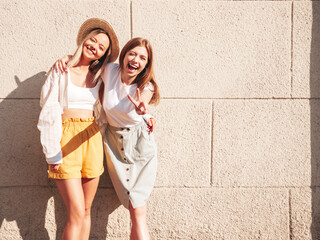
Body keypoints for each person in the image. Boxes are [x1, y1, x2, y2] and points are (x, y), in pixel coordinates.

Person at [55, 37, 160, 240]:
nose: (136, 60)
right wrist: (67, 58)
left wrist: (143, 110)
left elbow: (143, 102)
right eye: (133, 54)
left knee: (138, 212)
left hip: (139, 147)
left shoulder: (146, 86)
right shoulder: (109, 70)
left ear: (147, 64)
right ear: (124, 55)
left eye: (142, 58)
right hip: (114, 144)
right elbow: (88, 60)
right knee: (132, 206)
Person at [37, 18, 119, 240]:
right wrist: (51, 150)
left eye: (101, 47)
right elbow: (49, 111)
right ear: (84, 39)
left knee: (85, 210)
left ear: (103, 55)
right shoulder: (60, 70)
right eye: (93, 40)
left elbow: (129, 84)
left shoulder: (101, 77)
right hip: (66, 141)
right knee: (75, 212)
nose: (95, 47)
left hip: (91, 140)